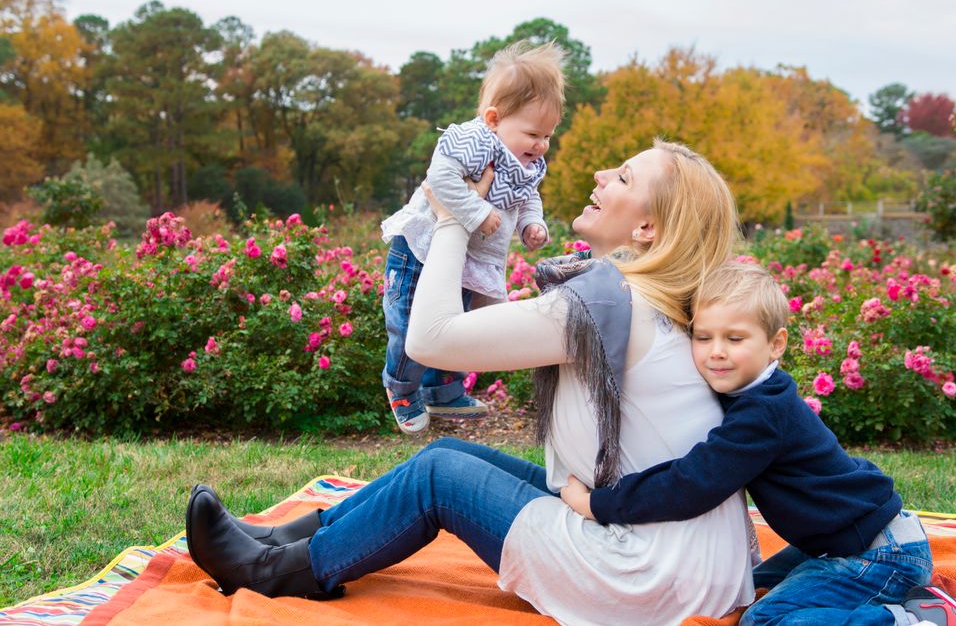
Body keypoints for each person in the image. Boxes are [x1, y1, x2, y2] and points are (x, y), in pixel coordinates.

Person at [186, 141, 757, 626]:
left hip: (652, 583)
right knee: (451, 451)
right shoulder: (644, 301)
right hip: (689, 564)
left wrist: (451, 216)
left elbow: (429, 339)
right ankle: (285, 539)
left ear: (647, 227)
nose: (600, 176)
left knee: (442, 476)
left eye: (624, 177)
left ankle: (272, 573)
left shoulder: (607, 304)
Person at [560, 260, 956, 626]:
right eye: (703, 337)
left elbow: (693, 482)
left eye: (735, 338)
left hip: (879, 554)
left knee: (765, 618)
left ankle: (909, 619)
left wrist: (598, 504)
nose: (716, 352)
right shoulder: (754, 397)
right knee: (751, 586)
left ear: (775, 344)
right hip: (848, 539)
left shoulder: (762, 413)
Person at [378, 40, 563, 434]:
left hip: (469, 259)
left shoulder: (529, 162)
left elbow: (528, 196)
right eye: (533, 133)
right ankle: (401, 387)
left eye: (548, 136)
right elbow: (440, 178)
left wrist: (533, 223)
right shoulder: (475, 140)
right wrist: (478, 211)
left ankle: (443, 390)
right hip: (424, 251)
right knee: (412, 321)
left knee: (456, 324)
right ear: (494, 119)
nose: (541, 145)